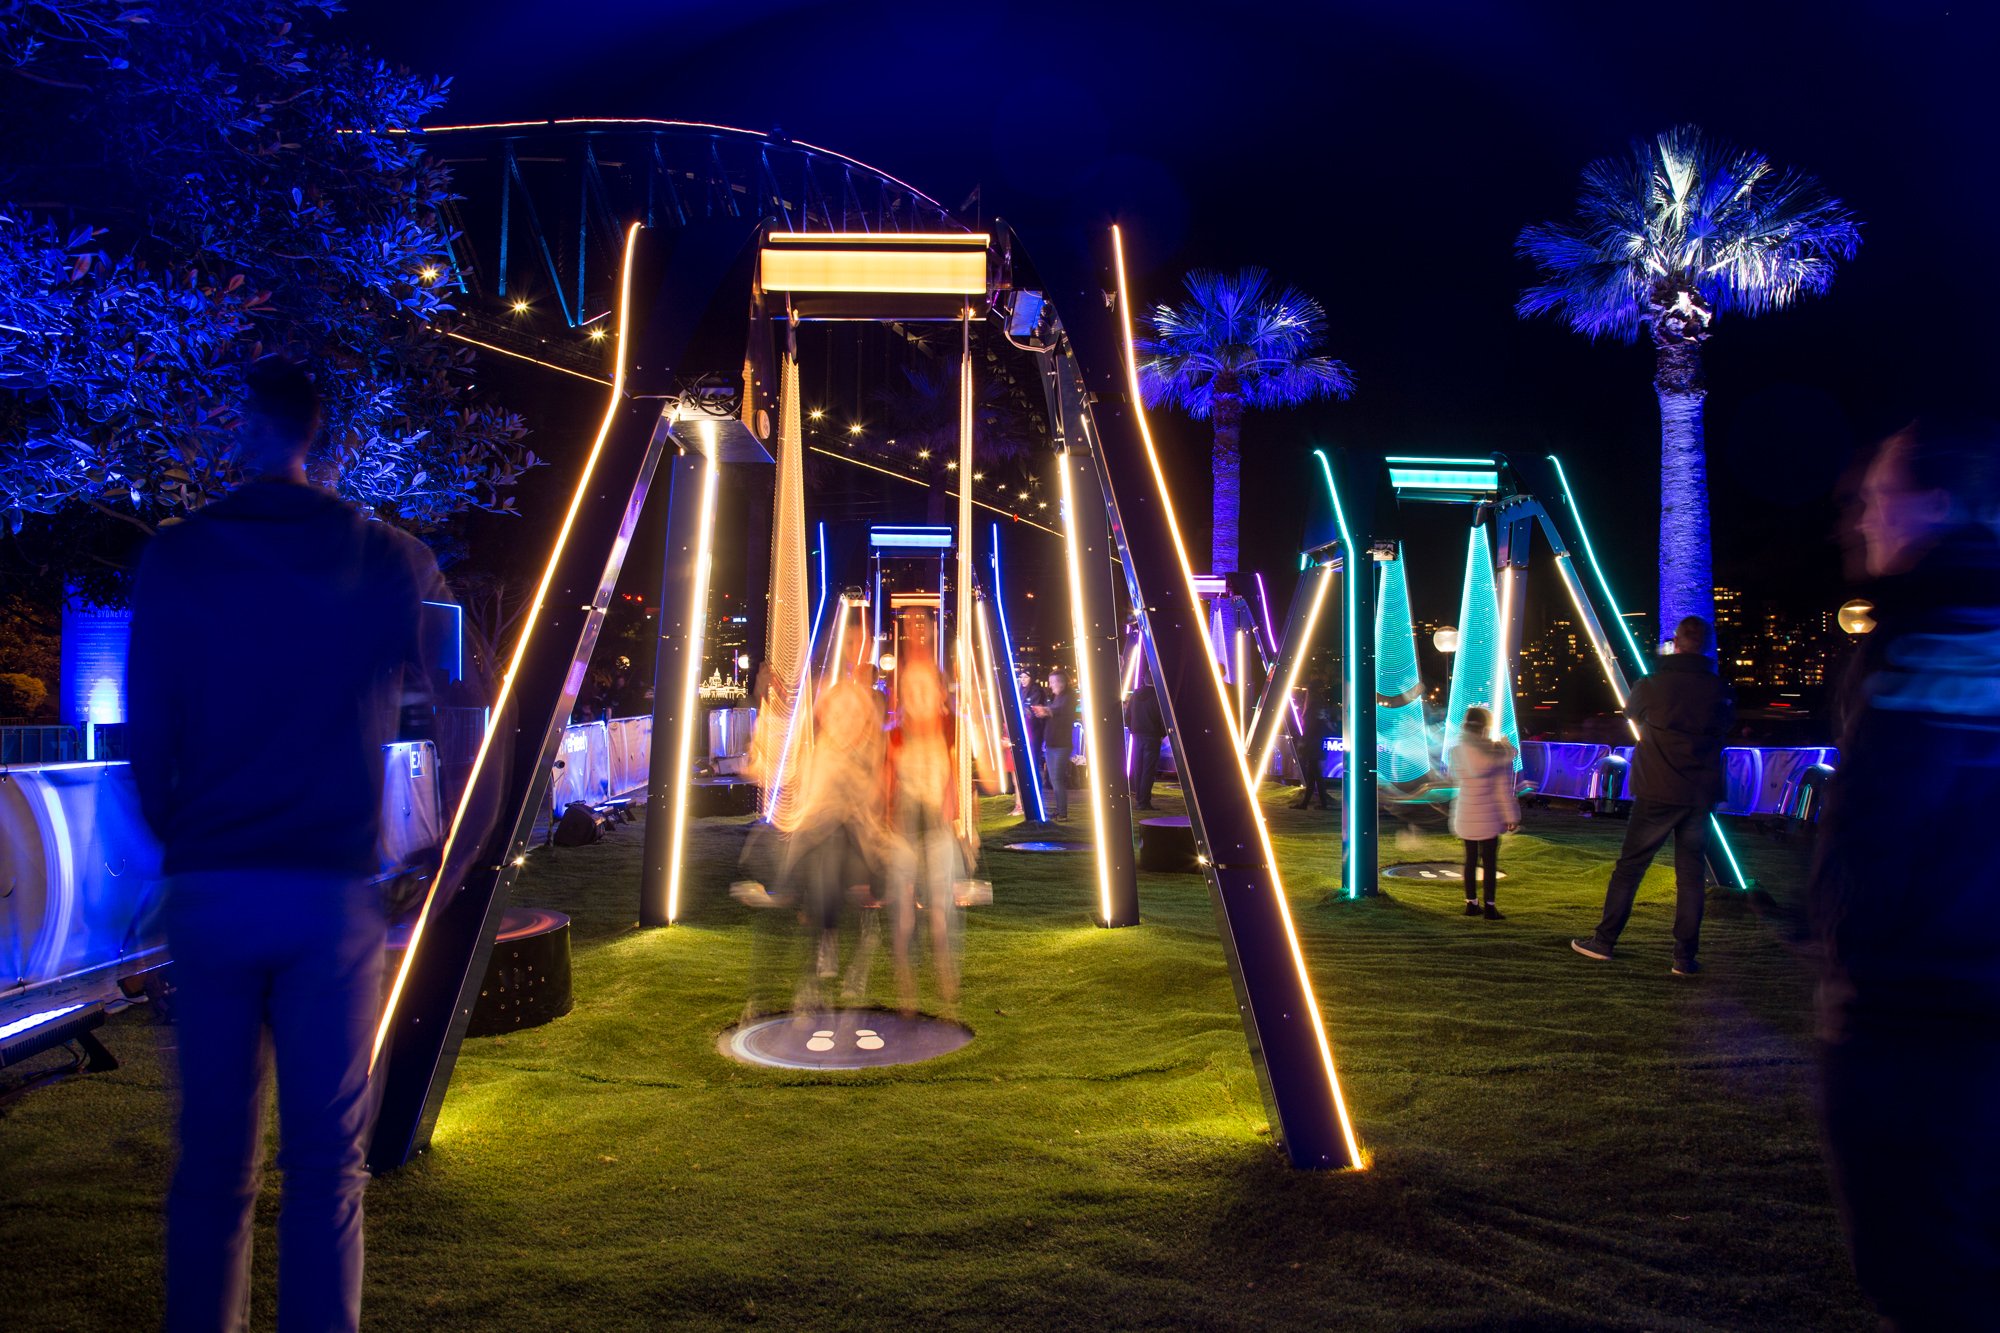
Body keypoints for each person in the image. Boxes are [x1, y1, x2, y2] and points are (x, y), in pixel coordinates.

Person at [127, 355, 446, 1332]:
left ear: (240, 428)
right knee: (325, 1168)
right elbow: (468, 701)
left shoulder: (177, 555)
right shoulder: (390, 558)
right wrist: (450, 841)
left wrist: (180, 833)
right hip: (332, 888)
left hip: (215, 880)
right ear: (321, 436)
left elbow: (148, 733)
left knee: (214, 1162)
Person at [1810, 417, 2000, 1328]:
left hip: (1922, 1014)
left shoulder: (1921, 639)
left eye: (1876, 499)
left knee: (1926, 1273)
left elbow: (1891, 818)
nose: (1860, 519)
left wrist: (1852, 968)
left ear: (1933, 503)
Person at [1571, 615, 1732, 973]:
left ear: (1675, 642)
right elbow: (1725, 727)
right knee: (1690, 876)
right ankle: (1684, 957)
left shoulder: (1655, 683)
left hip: (1658, 788)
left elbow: (1632, 712)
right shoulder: (1718, 688)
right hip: (1699, 793)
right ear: (1706, 645)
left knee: (1630, 868)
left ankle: (1604, 941)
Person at [886, 661, 964, 1016]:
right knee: (905, 915)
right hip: (905, 832)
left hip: (935, 831)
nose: (918, 697)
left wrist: (960, 814)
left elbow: (955, 781)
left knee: (939, 915)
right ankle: (907, 987)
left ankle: (945, 978)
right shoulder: (895, 737)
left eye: (925, 689)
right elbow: (887, 785)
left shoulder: (949, 733)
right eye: (911, 691)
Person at [1446, 707, 1520, 918]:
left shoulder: (1456, 752)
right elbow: (1502, 790)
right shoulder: (1495, 754)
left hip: (1466, 813)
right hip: (1488, 816)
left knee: (1469, 861)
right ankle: (1490, 906)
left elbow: (1455, 777)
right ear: (1485, 727)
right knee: (1489, 862)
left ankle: (1471, 903)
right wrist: (1511, 816)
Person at [1036, 669, 1079, 821]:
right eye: (1050, 681)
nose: (1051, 685)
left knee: (1057, 779)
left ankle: (1063, 813)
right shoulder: (1056, 697)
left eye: (1054, 682)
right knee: (1055, 780)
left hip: (1061, 745)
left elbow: (1062, 711)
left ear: (1063, 682)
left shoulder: (1069, 696)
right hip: (1052, 744)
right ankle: (1060, 810)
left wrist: (1046, 711)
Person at [1125, 681, 1165, 810]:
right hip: (1152, 736)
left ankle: (1140, 799)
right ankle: (1144, 801)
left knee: (1139, 768)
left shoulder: (1135, 694)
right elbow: (1162, 717)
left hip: (1137, 735)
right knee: (1148, 769)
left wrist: (1132, 729)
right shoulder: (1158, 695)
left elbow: (1127, 715)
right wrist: (1161, 733)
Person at [1294, 689, 1334, 811]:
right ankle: (1311, 803)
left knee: (1314, 775)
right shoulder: (1318, 707)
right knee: (1313, 775)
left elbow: (1310, 728)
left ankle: (1315, 804)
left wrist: (1304, 742)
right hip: (1315, 744)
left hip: (1313, 745)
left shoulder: (1313, 707)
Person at [1018, 668, 1050, 799]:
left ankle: (1036, 792)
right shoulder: (1021, 690)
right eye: (1021, 677)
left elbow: (1034, 712)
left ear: (1031, 678)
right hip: (1026, 729)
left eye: (1026, 677)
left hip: (1034, 731)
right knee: (1026, 761)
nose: (1023, 680)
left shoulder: (1036, 691)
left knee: (1033, 760)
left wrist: (1025, 710)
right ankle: (1028, 792)